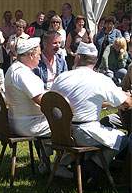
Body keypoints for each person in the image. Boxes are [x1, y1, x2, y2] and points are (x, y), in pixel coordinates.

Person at [51, 42, 131, 184]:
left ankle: (82, 165)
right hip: (83, 134)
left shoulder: (61, 78)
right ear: (95, 61)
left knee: (104, 133)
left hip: (60, 132)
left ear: (78, 58)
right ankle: (92, 167)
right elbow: (126, 103)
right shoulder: (100, 79)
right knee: (123, 138)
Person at [5, 37, 73, 179]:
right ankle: (58, 166)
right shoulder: (23, 73)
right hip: (28, 124)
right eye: (38, 54)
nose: (39, 58)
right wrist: (63, 108)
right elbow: (42, 101)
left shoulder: (14, 69)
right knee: (73, 128)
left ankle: (45, 162)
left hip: (18, 120)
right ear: (31, 55)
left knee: (58, 124)